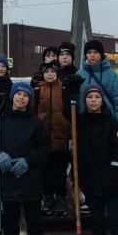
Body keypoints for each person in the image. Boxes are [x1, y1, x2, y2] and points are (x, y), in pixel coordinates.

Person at [0, 82, 51, 235]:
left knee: (34, 225)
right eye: (19, 94)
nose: (22, 98)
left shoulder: (35, 123)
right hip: (8, 182)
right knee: (11, 225)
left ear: (29, 99)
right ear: (12, 96)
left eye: (26, 95)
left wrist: (29, 160)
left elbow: (45, 149)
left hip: (31, 183)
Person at [71, 85, 118, 235]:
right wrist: (71, 97)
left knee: (115, 222)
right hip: (90, 181)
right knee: (97, 223)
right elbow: (68, 114)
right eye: (90, 97)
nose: (94, 100)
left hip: (110, 181)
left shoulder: (111, 122)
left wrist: (113, 175)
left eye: (97, 97)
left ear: (102, 100)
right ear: (85, 101)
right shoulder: (80, 121)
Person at [32, 59, 76, 217]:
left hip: (61, 138)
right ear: (42, 74)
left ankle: (61, 199)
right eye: (46, 72)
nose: (50, 74)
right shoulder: (37, 91)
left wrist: (71, 137)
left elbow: (70, 115)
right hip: (43, 139)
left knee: (60, 171)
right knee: (45, 171)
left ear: (57, 73)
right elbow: (32, 114)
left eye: (53, 72)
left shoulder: (64, 89)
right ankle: (48, 197)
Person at [76, 39, 118, 131]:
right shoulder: (79, 75)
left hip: (108, 125)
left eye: (96, 52)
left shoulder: (111, 75)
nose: (92, 55)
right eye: (89, 52)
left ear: (101, 54)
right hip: (85, 125)